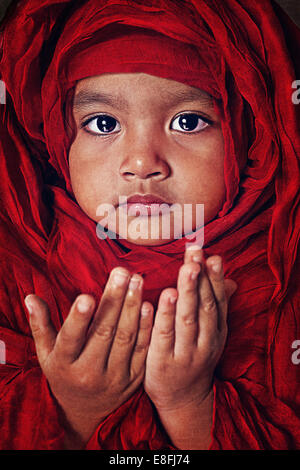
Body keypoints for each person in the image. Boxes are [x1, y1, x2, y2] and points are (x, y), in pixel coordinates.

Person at [0, 0, 299, 450]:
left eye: (188, 121)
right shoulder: (15, 263)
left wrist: (189, 404)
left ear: (249, 134)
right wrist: (72, 411)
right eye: (102, 123)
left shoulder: (285, 271)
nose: (142, 163)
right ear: (59, 141)